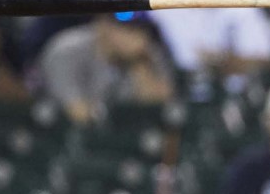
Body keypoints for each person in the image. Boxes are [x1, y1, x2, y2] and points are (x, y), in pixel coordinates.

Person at [37, 11, 175, 125]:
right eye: (128, 29)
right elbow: (78, 114)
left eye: (140, 30)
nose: (137, 37)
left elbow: (159, 108)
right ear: (103, 24)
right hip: (56, 137)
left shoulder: (146, 53)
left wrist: (139, 64)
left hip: (120, 140)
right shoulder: (67, 51)